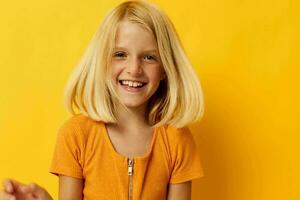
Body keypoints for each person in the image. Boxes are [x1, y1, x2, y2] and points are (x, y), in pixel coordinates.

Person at [0, 0, 205, 199]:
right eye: (120, 54)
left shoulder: (177, 140)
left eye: (149, 57)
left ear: (165, 69)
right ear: (102, 62)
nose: (134, 69)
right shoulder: (76, 136)